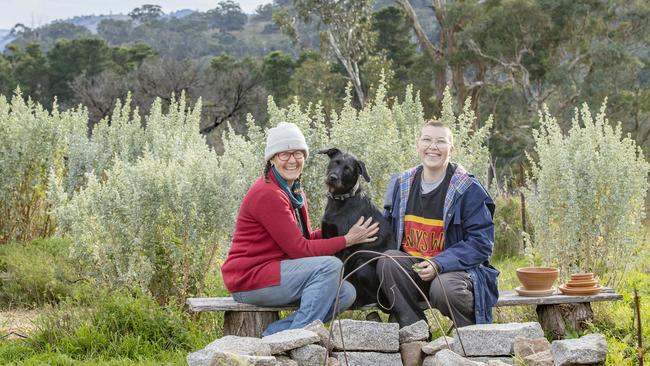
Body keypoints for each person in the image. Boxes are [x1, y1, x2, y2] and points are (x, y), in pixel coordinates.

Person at [221, 122, 379, 336]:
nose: (292, 160)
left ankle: (274, 335)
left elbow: (301, 239)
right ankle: (295, 338)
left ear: (304, 157)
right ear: (272, 159)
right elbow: (300, 250)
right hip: (250, 278)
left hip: (276, 271)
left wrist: (342, 229)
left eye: (298, 153)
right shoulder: (268, 194)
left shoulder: (293, 190)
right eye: (284, 154)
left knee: (346, 293)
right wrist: (347, 240)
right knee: (331, 267)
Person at [377, 120, 499, 328]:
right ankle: (414, 330)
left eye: (441, 142)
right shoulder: (402, 183)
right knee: (388, 261)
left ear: (451, 149)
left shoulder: (468, 189)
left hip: (455, 273)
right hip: (414, 271)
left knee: (445, 289)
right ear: (418, 145)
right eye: (427, 140)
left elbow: (481, 244)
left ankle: (470, 336)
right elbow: (387, 231)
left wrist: (438, 263)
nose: (432, 146)